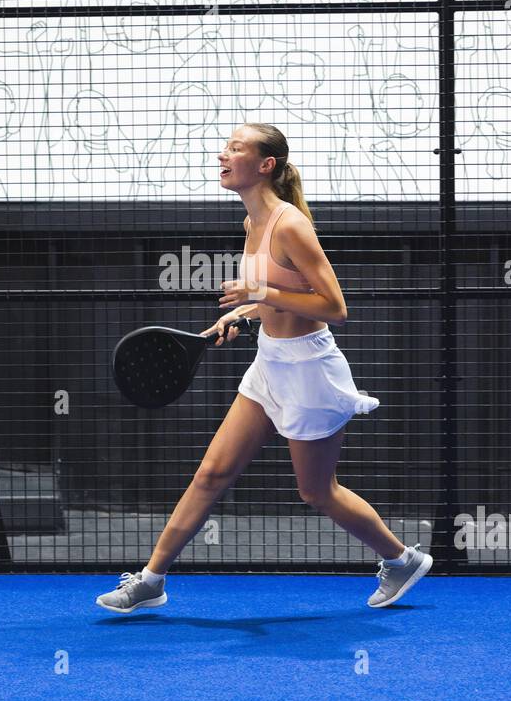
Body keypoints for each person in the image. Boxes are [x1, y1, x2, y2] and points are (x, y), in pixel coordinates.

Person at [96, 122, 432, 612]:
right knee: (211, 474)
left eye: (236, 148)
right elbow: (280, 298)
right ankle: (151, 580)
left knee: (317, 491)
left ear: (265, 165)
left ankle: (401, 559)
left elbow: (334, 306)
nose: (222, 155)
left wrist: (259, 294)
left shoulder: (289, 223)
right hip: (269, 363)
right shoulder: (252, 222)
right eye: (226, 147)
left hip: (310, 372)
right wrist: (246, 313)